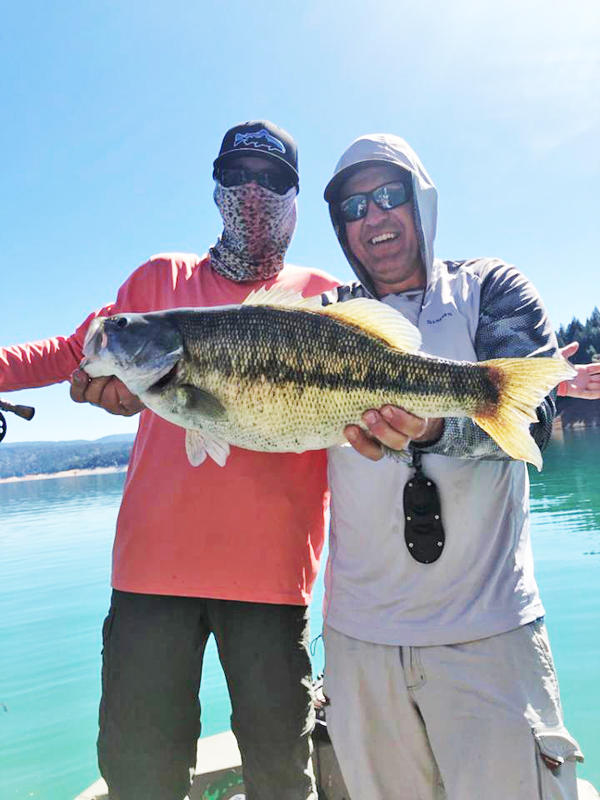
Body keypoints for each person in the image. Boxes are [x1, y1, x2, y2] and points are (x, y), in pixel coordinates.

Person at [0, 120, 339, 800]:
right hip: (152, 574)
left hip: (275, 581)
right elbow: (70, 353)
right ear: (215, 188)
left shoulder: (326, 298)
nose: (253, 192)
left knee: (283, 771)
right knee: (142, 772)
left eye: (272, 181)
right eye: (237, 176)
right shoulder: (159, 282)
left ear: (296, 197)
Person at [319, 133, 584, 799]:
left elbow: (534, 418)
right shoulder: (328, 318)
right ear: (340, 227)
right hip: (360, 644)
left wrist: (436, 427)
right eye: (354, 207)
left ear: (421, 201)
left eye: (389, 196)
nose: (373, 218)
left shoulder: (489, 288)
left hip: (489, 635)